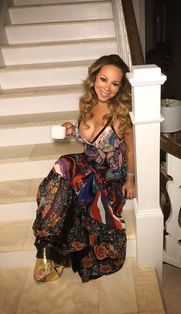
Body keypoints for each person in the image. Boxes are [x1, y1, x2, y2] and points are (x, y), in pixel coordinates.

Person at [32, 54, 136, 283]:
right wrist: (71, 128)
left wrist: (130, 180)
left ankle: (52, 254)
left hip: (109, 179)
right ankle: (48, 250)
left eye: (114, 83)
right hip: (88, 166)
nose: (107, 88)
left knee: (71, 189)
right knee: (62, 168)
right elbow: (87, 138)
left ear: (120, 88)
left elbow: (130, 150)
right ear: (94, 79)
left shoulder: (121, 115)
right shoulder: (86, 104)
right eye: (103, 79)